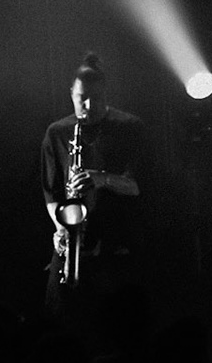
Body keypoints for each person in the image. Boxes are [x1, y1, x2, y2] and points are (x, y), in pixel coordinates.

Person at [41, 53, 144, 310]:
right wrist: (62, 229)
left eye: (96, 98)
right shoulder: (57, 133)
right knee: (59, 312)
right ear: (71, 94)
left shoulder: (130, 127)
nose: (88, 105)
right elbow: (52, 193)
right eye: (82, 98)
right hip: (74, 241)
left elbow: (137, 186)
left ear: (106, 94)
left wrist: (102, 179)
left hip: (116, 242)